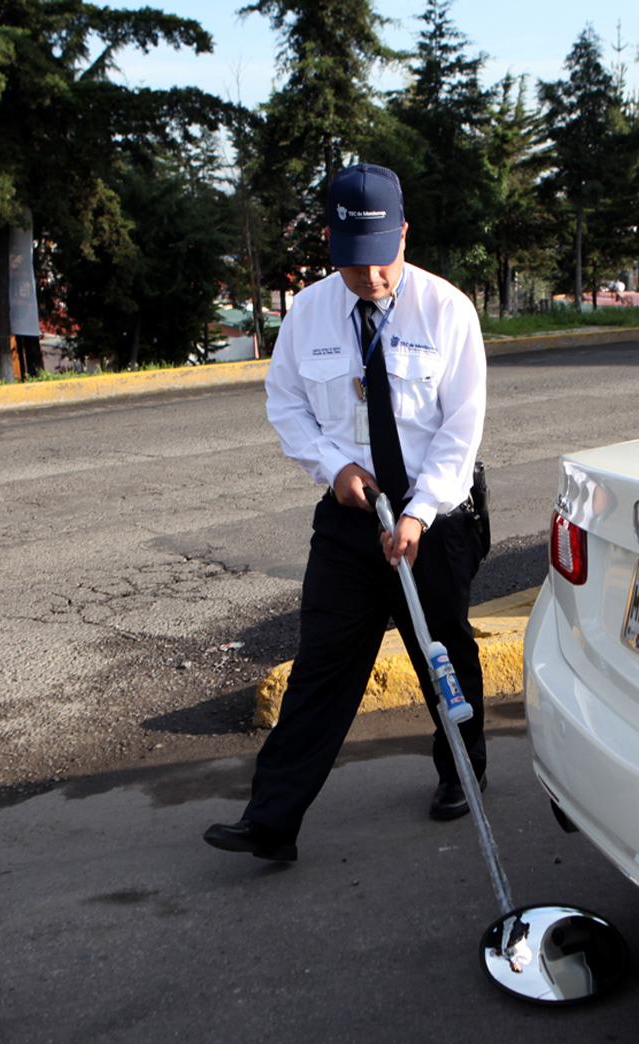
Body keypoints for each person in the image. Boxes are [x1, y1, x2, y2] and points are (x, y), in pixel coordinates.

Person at [203, 163, 487, 863]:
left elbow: (461, 428)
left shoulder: (447, 310)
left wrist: (419, 513)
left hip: (434, 517)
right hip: (350, 518)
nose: (372, 275)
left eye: (383, 257)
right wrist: (334, 470)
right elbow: (286, 404)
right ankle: (272, 820)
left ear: (404, 235)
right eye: (355, 261)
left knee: (442, 651)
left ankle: (462, 772)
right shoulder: (308, 313)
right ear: (330, 242)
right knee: (322, 665)